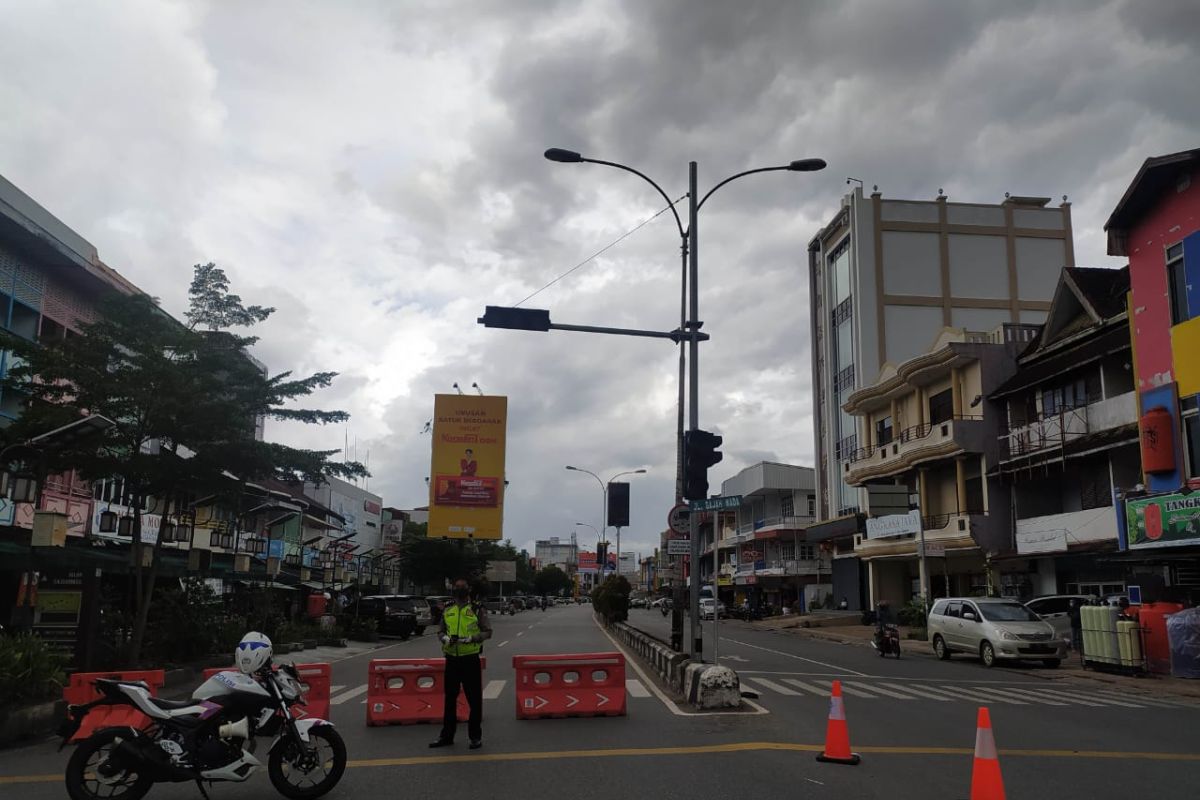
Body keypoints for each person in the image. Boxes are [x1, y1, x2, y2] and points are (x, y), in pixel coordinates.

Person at [430, 579, 492, 750]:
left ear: (469, 590)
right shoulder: (448, 609)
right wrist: (444, 638)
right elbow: (440, 630)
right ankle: (446, 736)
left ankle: (475, 737)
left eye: (462, 588)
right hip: (451, 658)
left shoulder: (477, 609)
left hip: (470, 658)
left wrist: (473, 638)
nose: (460, 591)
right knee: (450, 700)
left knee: (474, 700)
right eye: (457, 588)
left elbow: (488, 631)